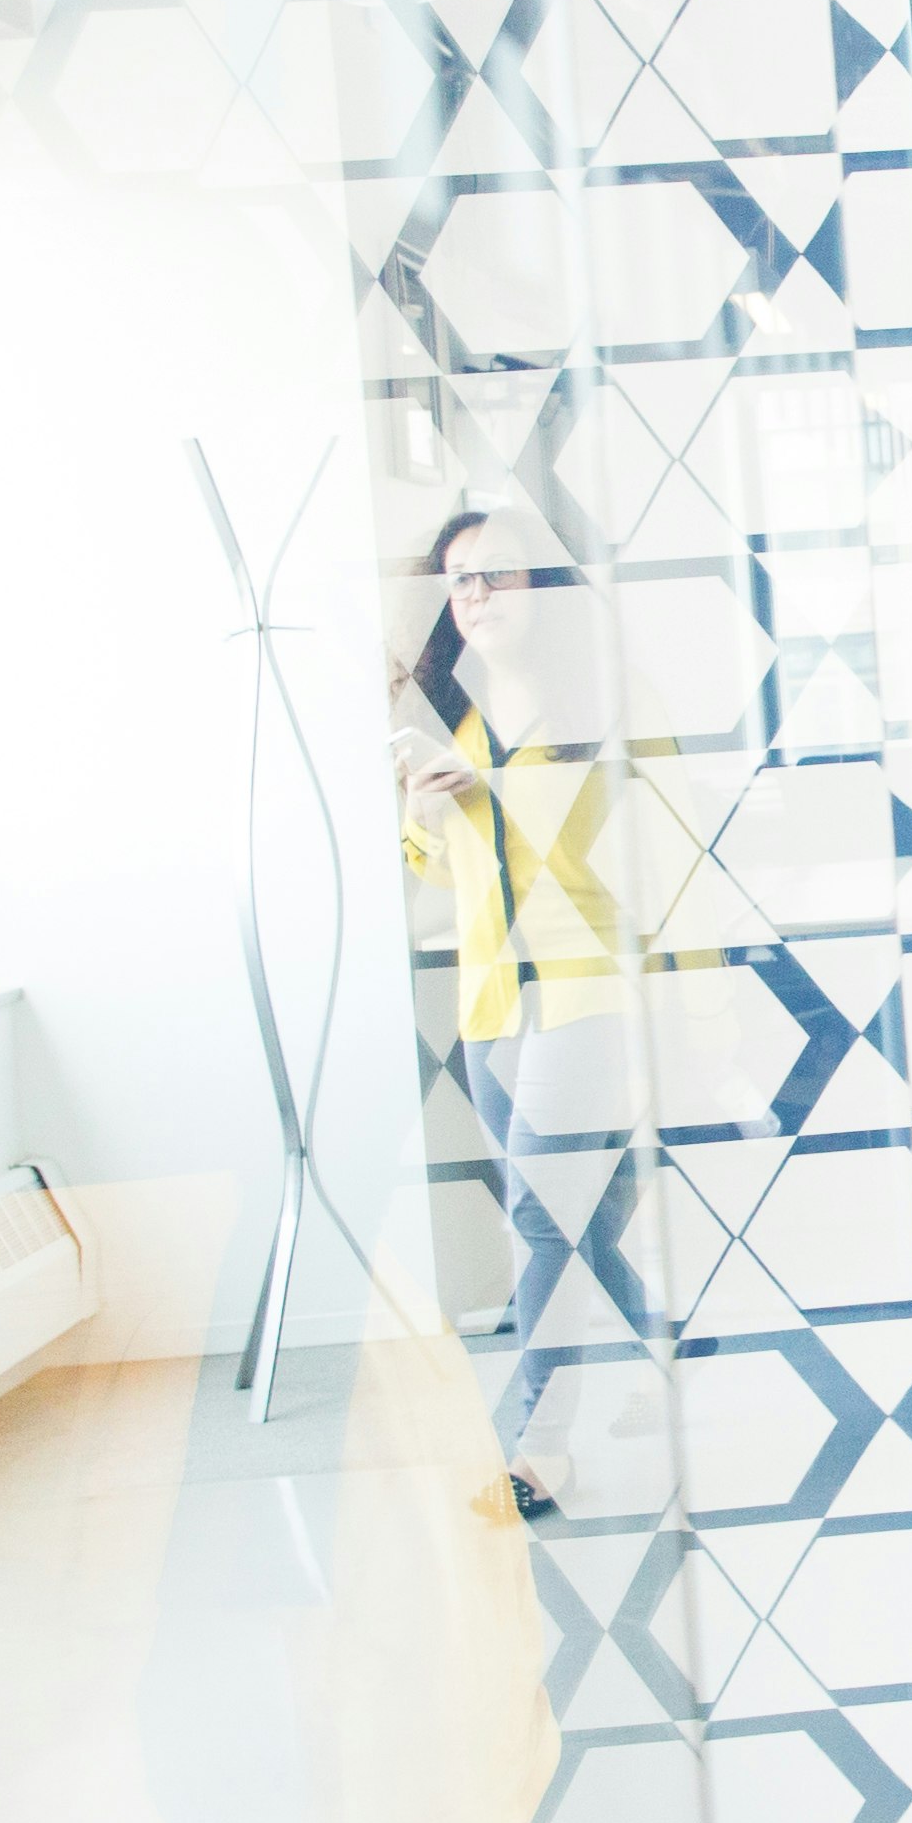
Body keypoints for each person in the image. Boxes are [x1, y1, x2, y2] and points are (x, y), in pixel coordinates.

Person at [393, 502, 636, 1517]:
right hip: (492, 998)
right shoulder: (452, 722)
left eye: (497, 573)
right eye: (460, 579)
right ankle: (667, 1342)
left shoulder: (603, 708)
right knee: (588, 1211)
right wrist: (420, 813)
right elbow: (442, 876)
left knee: (545, 1222)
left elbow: (658, 858)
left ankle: (538, 1445)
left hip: (585, 990)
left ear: (545, 586)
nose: (478, 593)